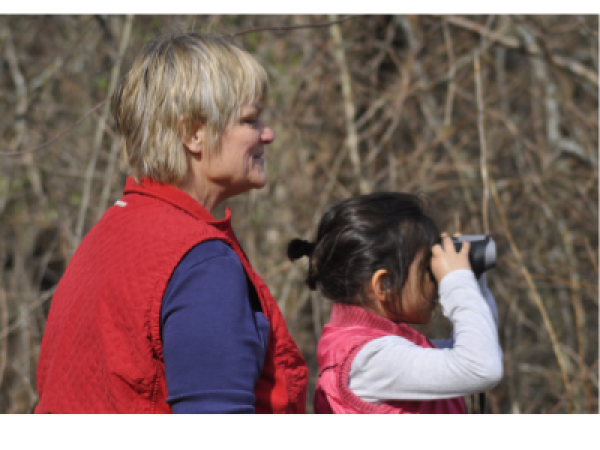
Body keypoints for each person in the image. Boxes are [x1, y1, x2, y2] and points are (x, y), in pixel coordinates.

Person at [35, 32, 308, 414]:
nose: (268, 134)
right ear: (193, 134)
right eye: (250, 120)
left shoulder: (108, 232)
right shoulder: (201, 263)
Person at [287, 192, 503, 414]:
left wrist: (471, 279)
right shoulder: (371, 359)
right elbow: (482, 367)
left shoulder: (384, 350)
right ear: (384, 284)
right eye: (427, 270)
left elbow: (481, 344)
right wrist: (457, 280)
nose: (437, 281)